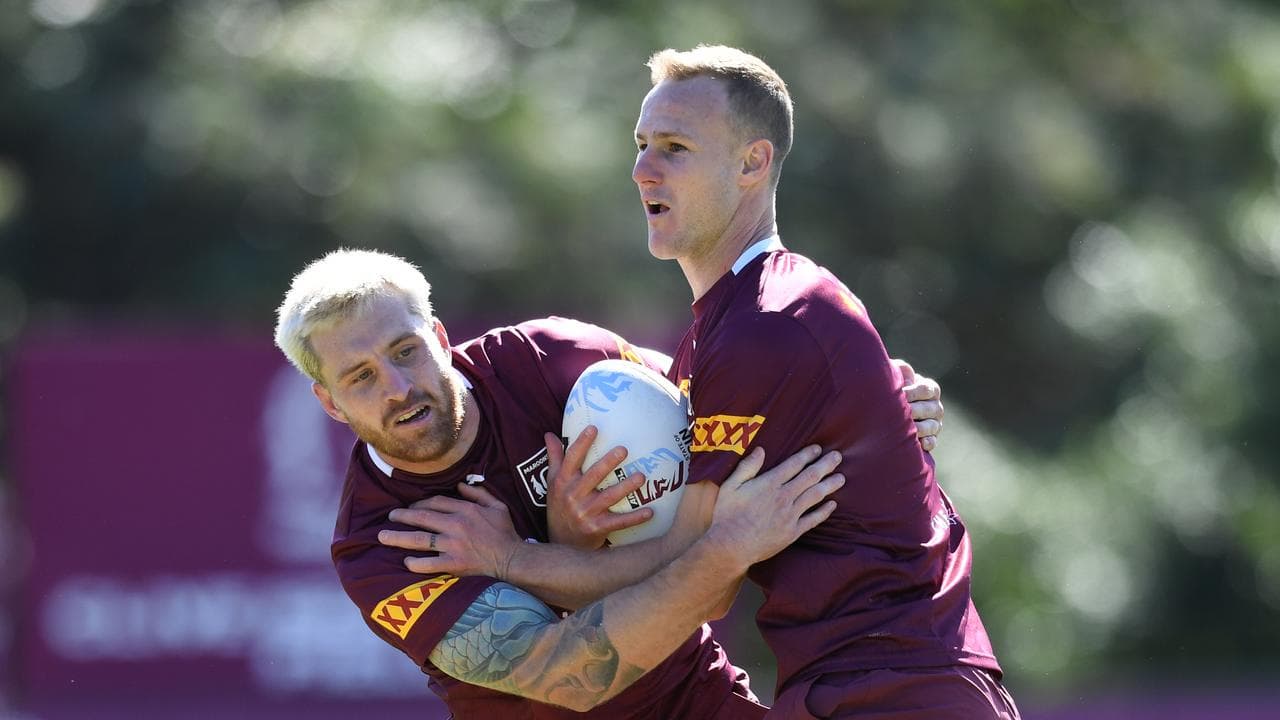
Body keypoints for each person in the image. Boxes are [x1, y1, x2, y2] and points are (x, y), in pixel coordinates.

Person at [388, 45, 1017, 719]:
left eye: (675, 147)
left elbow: (696, 579)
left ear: (752, 163)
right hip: (868, 684)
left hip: (899, 691)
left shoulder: (765, 325)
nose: (642, 169)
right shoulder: (737, 325)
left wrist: (511, 559)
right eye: (641, 145)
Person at [273, 249, 944, 719]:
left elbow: (722, 408)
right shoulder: (379, 545)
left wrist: (871, 400)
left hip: (701, 699)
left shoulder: (547, 359)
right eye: (361, 377)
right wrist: (723, 547)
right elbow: (574, 675)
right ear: (330, 402)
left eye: (405, 351)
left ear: (440, 338)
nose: (397, 387)